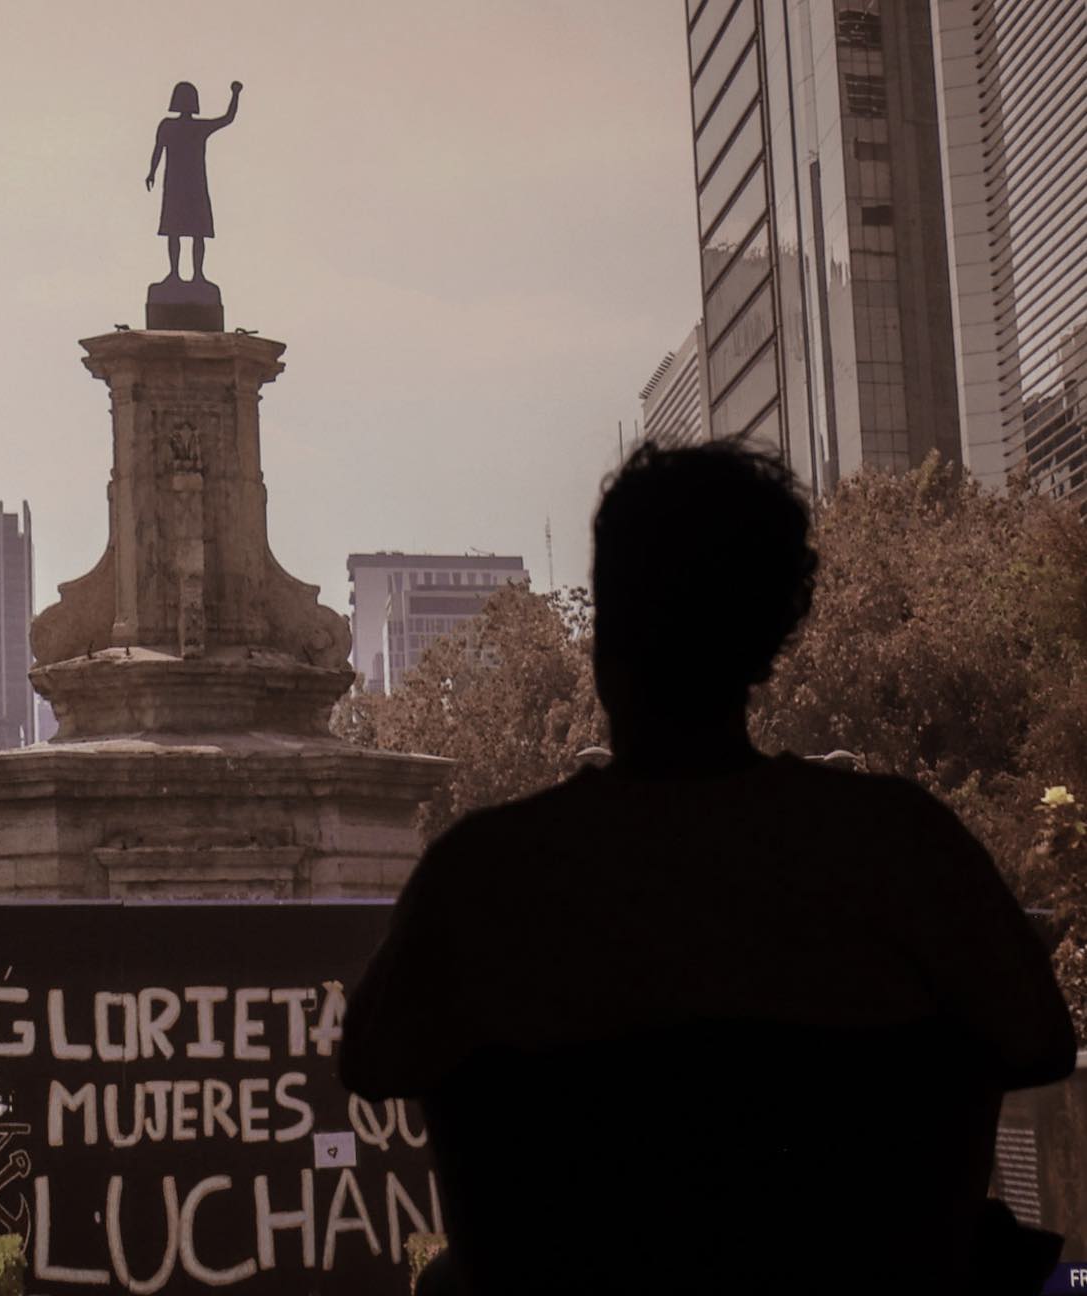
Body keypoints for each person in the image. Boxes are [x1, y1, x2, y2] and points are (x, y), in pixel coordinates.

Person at [341, 443, 1076, 1296]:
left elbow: (374, 1062)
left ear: (607, 635)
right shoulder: (899, 848)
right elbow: (1037, 1040)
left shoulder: (486, 876)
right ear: (770, 638)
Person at [145, 79, 241, 284]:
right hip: (180, 185)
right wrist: (151, 171)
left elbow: (227, 118)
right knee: (177, 230)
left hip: (191, 185)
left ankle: (196, 274)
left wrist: (235, 94)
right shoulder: (171, 126)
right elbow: (158, 150)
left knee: (194, 231)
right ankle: (177, 273)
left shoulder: (187, 127)